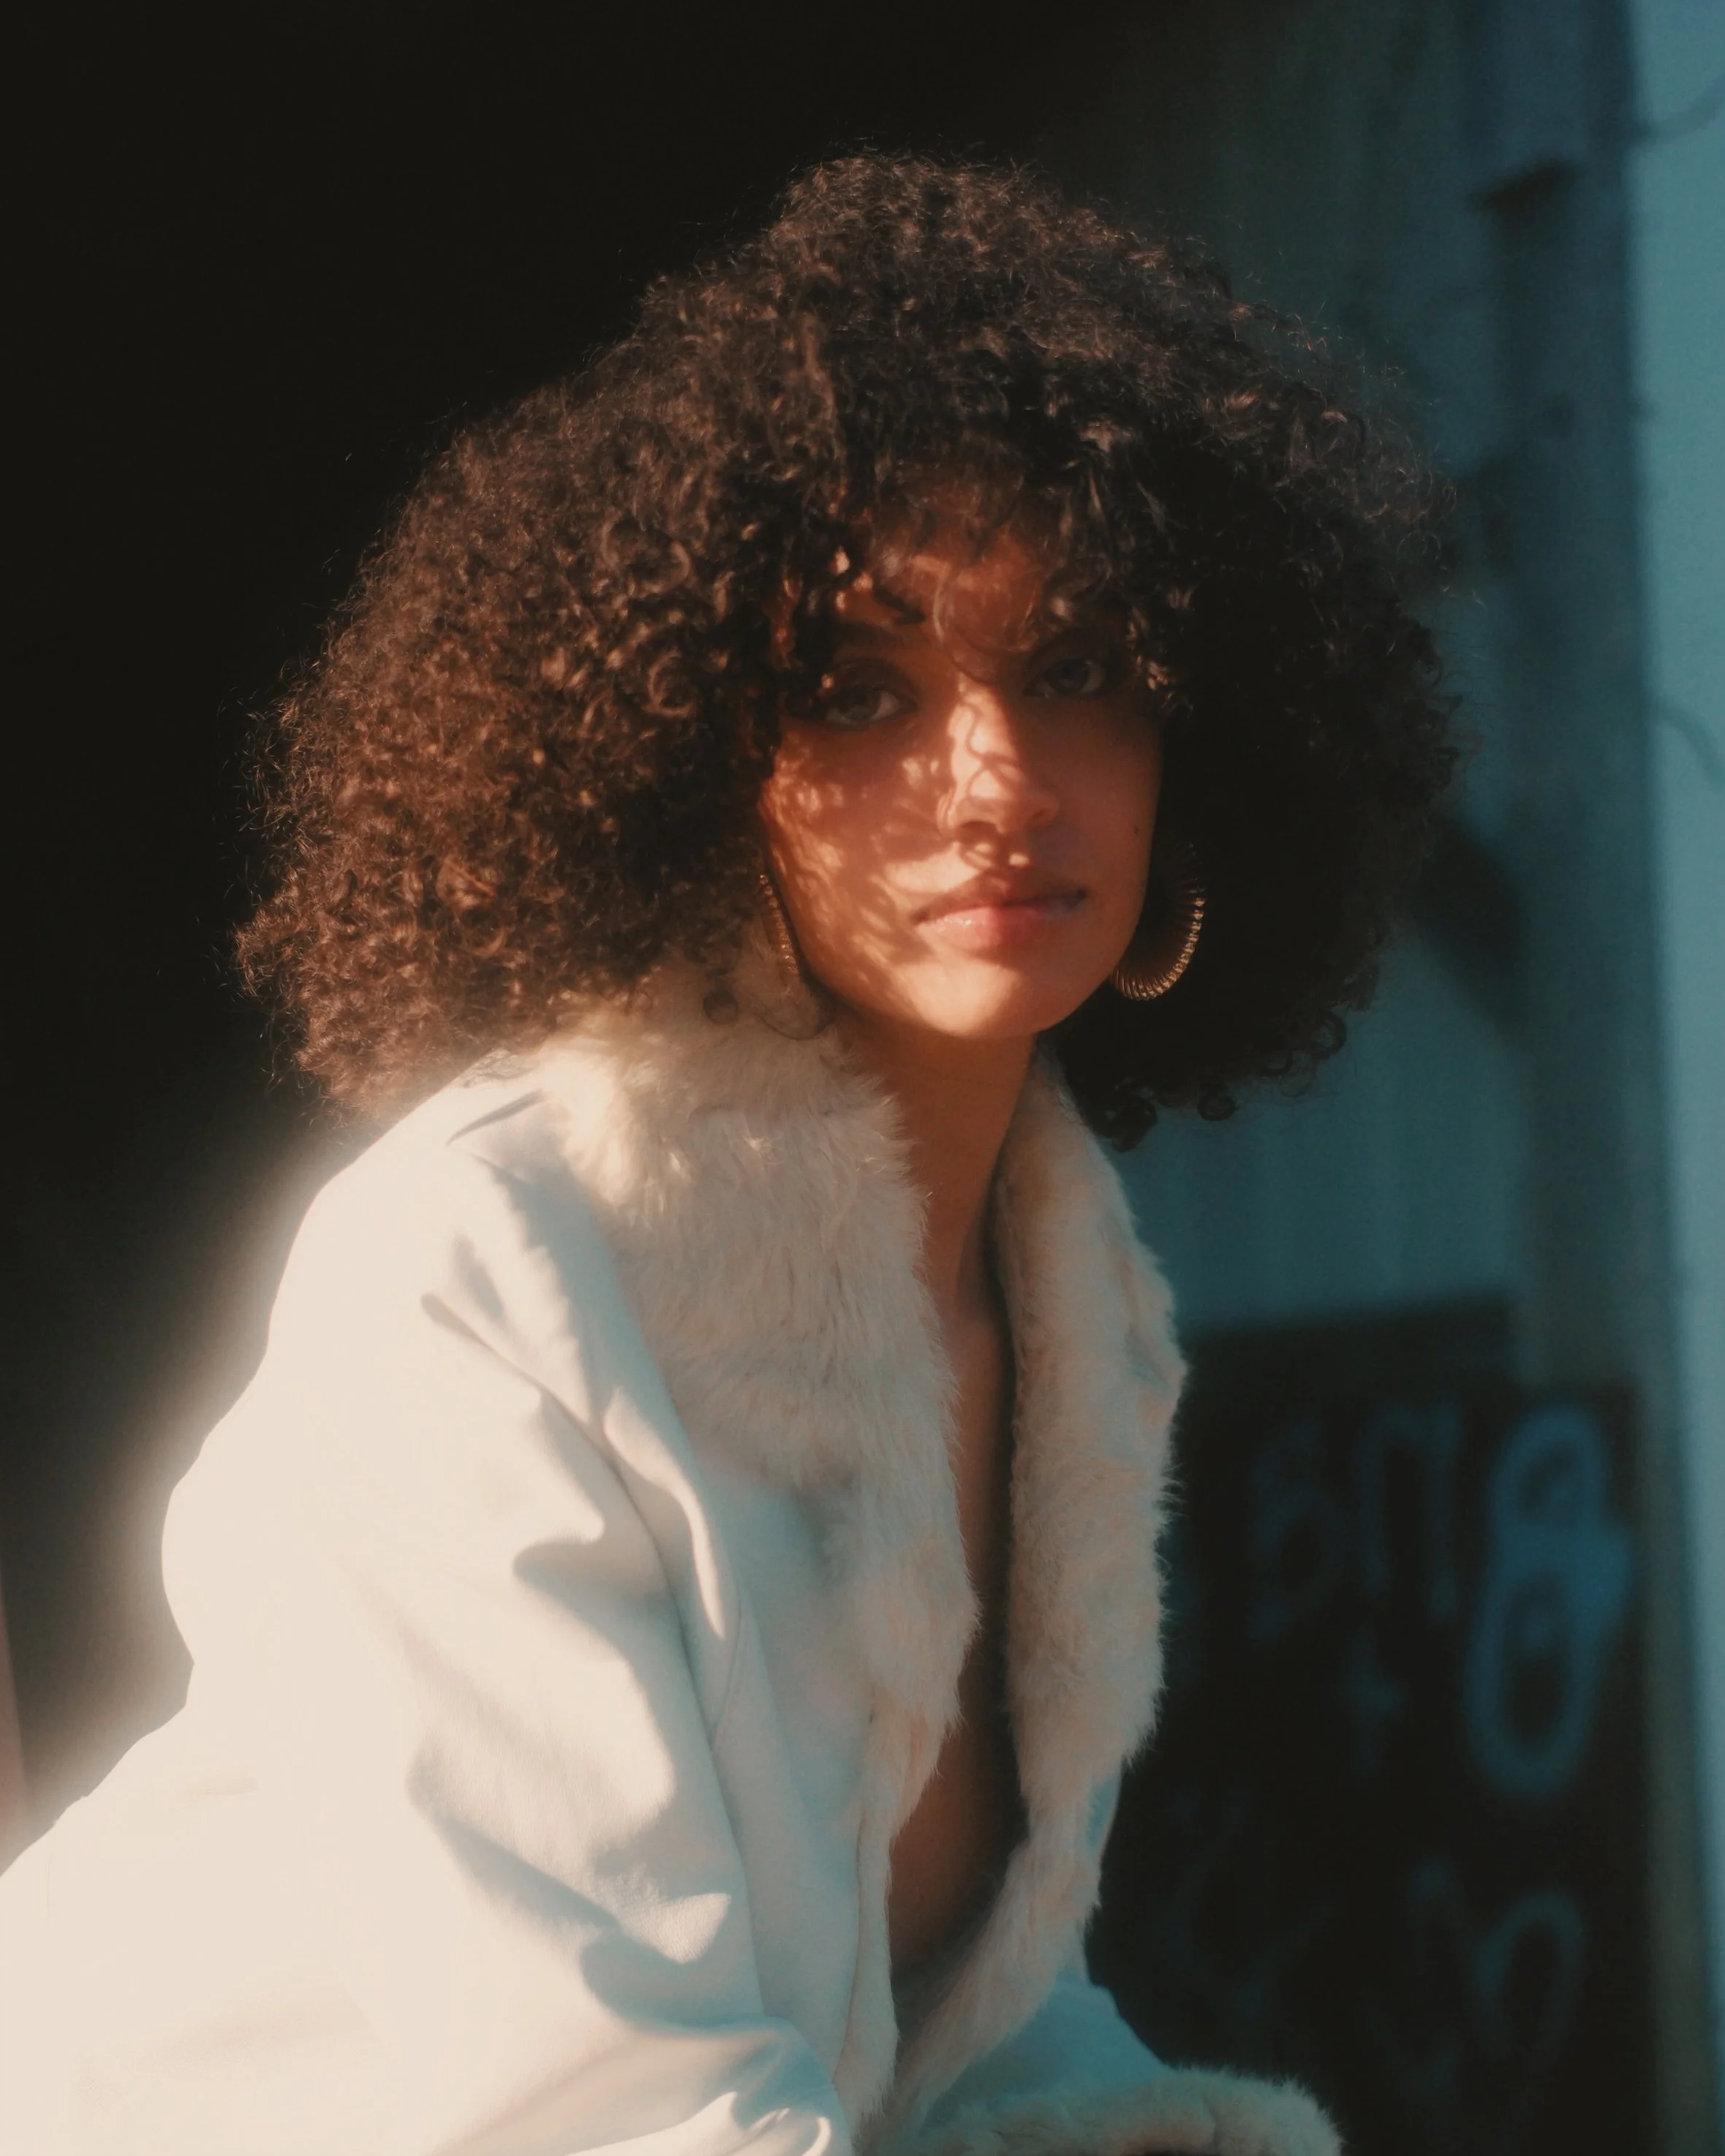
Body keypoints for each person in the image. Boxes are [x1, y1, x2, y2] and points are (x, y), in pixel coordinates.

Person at [0, 154, 1453, 2155]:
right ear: (694, 764)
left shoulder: (1073, 1298)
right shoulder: (486, 1262)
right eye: (859, 689)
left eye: (1075, 670)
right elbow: (611, 2112)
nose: (997, 783)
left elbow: (930, 2014)